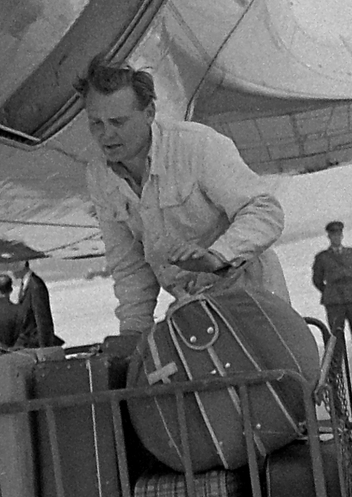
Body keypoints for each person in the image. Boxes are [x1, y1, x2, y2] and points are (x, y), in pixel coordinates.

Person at [76, 58, 288, 335]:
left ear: (149, 112)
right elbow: (128, 265)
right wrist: (133, 334)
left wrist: (217, 256)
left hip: (253, 298)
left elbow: (265, 210)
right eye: (96, 123)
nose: (106, 135)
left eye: (118, 122)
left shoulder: (196, 145)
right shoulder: (99, 176)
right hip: (193, 310)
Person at [312, 220, 352, 370]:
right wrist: (329, 291)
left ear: (342, 236)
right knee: (336, 334)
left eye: (338, 235)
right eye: (333, 235)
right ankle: (336, 365)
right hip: (334, 301)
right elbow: (317, 280)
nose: (336, 238)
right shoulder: (322, 257)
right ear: (329, 237)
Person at [13, 258, 59, 347]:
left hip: (35, 342)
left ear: (22, 264)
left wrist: (44, 346)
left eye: (13, 266)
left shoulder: (35, 286)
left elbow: (42, 319)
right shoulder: (26, 283)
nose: (11, 270)